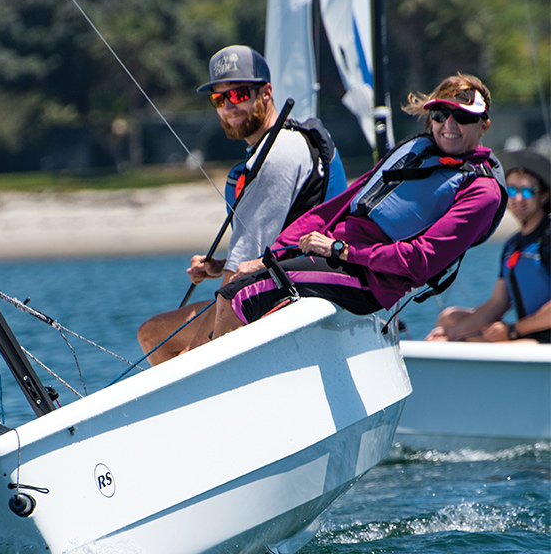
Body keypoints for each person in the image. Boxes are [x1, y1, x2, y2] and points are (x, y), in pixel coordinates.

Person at [198, 73, 507, 345]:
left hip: (369, 280)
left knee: (237, 294)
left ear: (484, 125)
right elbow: (330, 211)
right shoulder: (416, 151)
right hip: (333, 257)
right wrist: (272, 257)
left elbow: (421, 261)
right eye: (440, 114)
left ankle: (213, 396)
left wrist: (340, 250)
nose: (448, 125)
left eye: (463, 118)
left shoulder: (482, 190)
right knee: (240, 277)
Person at [137, 45, 347, 363]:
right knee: (153, 334)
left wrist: (207, 352)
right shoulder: (282, 142)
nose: (229, 107)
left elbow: (241, 274)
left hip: (294, 292)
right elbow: (265, 250)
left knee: (191, 359)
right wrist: (220, 266)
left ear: (266, 93)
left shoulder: (277, 155)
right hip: (279, 275)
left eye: (239, 95)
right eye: (219, 99)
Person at [426, 149, 550, 343]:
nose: (518, 199)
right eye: (511, 191)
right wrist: (450, 334)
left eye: (526, 191)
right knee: (448, 319)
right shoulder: (513, 245)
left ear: (543, 196)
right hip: (523, 334)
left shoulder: (548, 237)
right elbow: (497, 305)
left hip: (539, 339)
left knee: (463, 343)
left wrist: (513, 330)